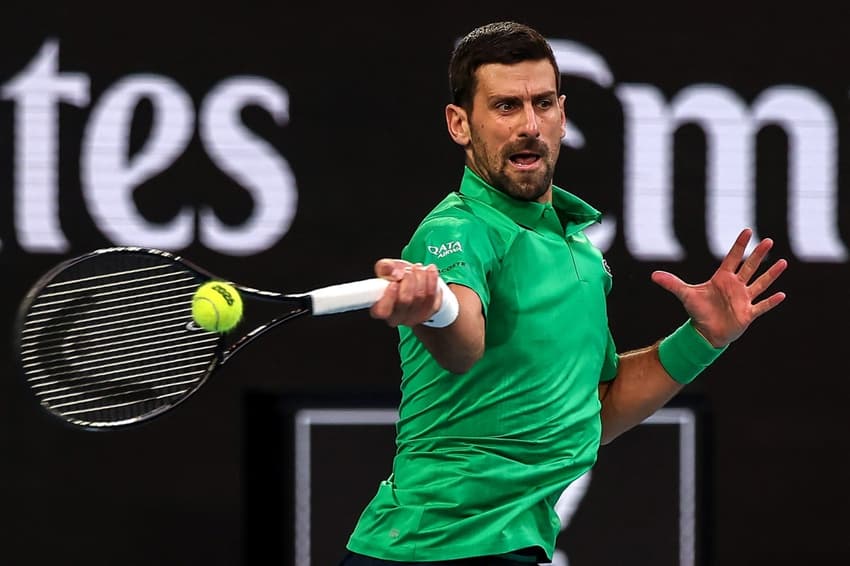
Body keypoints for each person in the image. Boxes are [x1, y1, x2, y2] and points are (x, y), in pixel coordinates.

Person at [339, 20, 787, 566]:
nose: (530, 125)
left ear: (562, 114)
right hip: (430, 549)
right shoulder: (456, 231)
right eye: (505, 107)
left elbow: (593, 410)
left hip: (510, 545)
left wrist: (701, 339)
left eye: (543, 103)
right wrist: (434, 310)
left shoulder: (581, 255)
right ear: (460, 123)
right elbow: (464, 342)